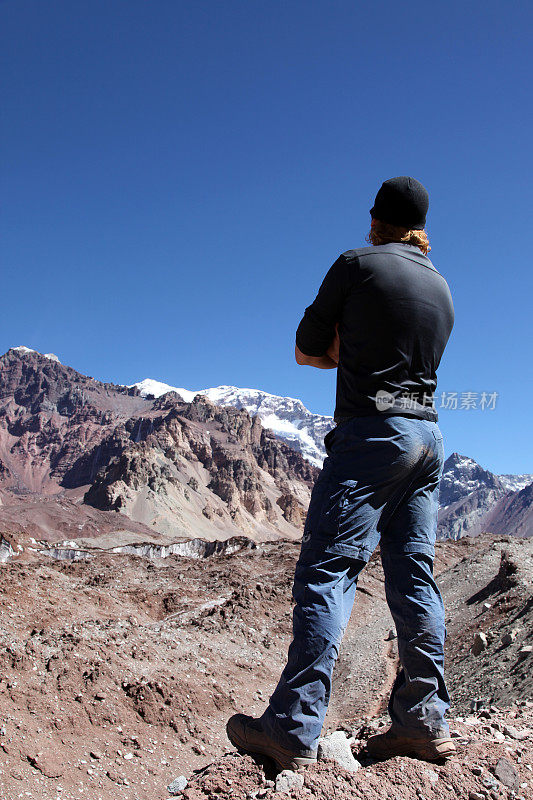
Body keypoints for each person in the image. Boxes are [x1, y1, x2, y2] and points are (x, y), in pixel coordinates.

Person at [226, 176, 456, 769]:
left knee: (328, 571)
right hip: (428, 438)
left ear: (377, 218)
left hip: (371, 435)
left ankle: (291, 728)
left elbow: (306, 349)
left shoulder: (357, 265)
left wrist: (346, 350)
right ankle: (423, 722)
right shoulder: (442, 288)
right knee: (415, 577)